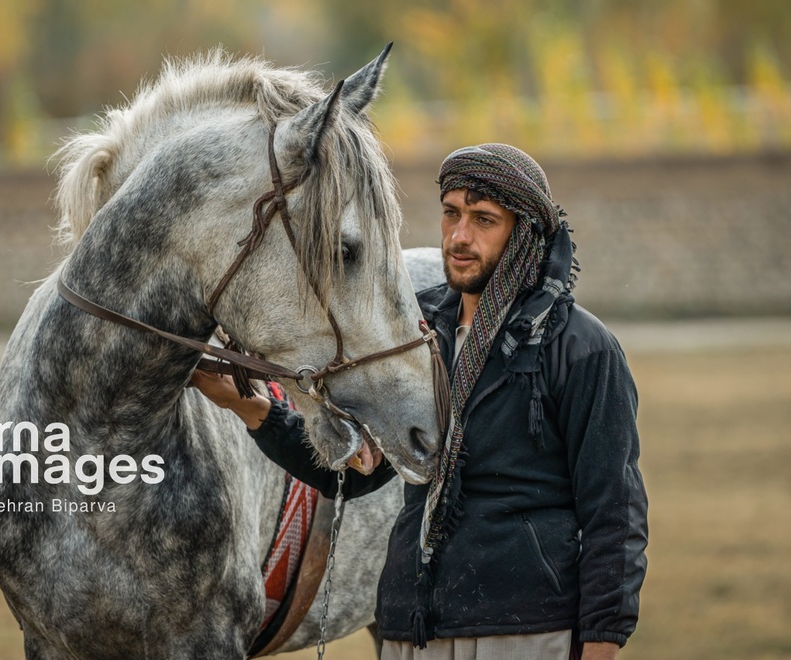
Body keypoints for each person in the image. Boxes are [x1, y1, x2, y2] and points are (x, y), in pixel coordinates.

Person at [191, 143, 648, 660]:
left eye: (483, 220)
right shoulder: (417, 334)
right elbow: (354, 472)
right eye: (451, 214)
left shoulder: (582, 348)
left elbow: (616, 515)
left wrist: (601, 644)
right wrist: (249, 408)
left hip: (527, 628)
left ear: (524, 233)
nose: (459, 236)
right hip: (413, 627)